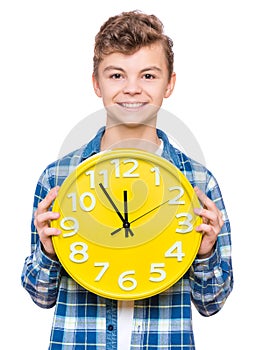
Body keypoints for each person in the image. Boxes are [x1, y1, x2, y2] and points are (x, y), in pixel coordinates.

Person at [21, 10, 233, 349]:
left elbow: (212, 303)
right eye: (116, 75)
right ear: (96, 83)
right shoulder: (58, 178)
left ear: (170, 84)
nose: (132, 89)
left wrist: (204, 253)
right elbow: (40, 297)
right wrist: (48, 250)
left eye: (148, 76)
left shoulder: (197, 182)